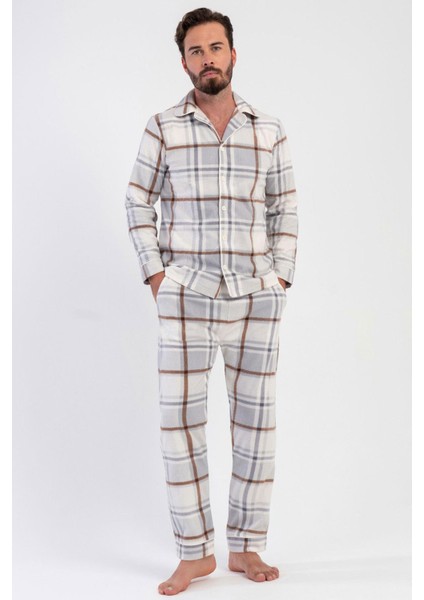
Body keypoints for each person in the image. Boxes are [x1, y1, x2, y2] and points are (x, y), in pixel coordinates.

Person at [125, 7, 299, 595]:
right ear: (184, 63)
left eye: (215, 47)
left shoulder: (268, 128)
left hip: (255, 298)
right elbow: (137, 200)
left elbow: (285, 207)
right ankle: (194, 553)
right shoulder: (162, 127)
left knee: (256, 426)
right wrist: (158, 277)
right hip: (185, 297)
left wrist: (281, 279)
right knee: (180, 425)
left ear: (233, 53)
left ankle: (246, 545)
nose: (207, 59)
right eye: (196, 51)